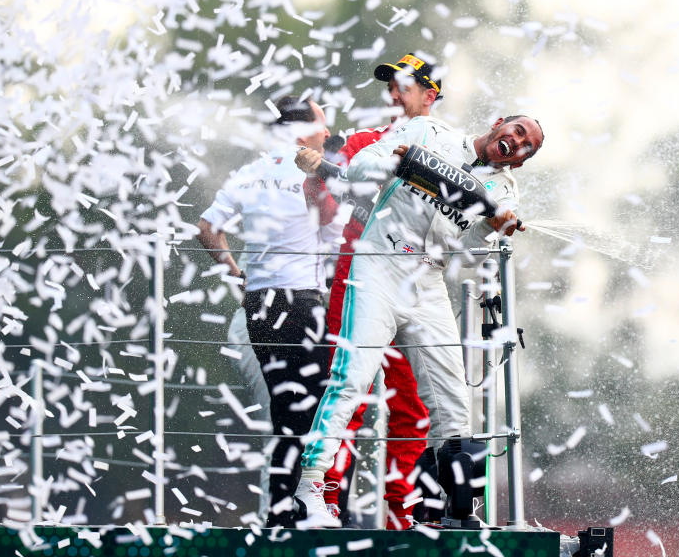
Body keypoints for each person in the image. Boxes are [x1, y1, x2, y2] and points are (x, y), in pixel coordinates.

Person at [294, 111, 544, 528]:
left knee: (453, 402)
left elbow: (462, 257)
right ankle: (310, 488)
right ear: (499, 123)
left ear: (519, 161)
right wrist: (402, 160)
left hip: (427, 280)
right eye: (517, 131)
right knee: (352, 377)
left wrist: (489, 230)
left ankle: (461, 508)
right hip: (379, 264)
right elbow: (357, 168)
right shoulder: (431, 131)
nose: (517, 142)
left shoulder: (504, 190)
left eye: (526, 147)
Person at [296, 52, 442, 529]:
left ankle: (401, 512)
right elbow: (321, 193)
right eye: (391, 87)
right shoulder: (363, 142)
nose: (395, 95)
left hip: (417, 286)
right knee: (349, 392)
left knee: (413, 405)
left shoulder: (448, 151)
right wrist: (314, 165)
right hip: (358, 278)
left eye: (405, 86)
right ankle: (326, 503)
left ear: (430, 95)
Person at [196, 96, 347, 527]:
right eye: (322, 123)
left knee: (285, 408)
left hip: (260, 302)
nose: (327, 131)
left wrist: (236, 272)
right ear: (302, 132)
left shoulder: (251, 172)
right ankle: (301, 507)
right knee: (314, 406)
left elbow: (207, 228)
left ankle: (280, 512)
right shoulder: (316, 177)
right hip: (302, 300)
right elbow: (337, 230)